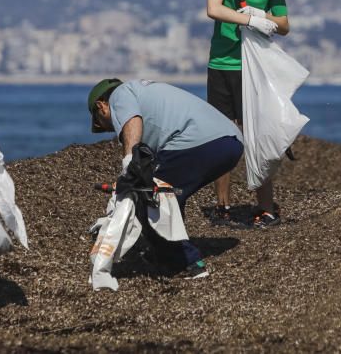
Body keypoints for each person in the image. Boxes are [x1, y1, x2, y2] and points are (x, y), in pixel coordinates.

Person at [88, 78, 244, 278]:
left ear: (101, 106)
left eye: (101, 124)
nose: (109, 130)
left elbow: (132, 121)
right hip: (231, 143)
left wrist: (129, 163)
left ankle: (187, 263)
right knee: (169, 194)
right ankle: (166, 255)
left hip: (199, 141)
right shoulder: (145, 95)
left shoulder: (120, 94)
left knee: (147, 196)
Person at [205, 0, 291, 228]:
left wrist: (260, 15)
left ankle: (266, 208)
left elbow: (284, 24)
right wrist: (247, 21)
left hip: (254, 68)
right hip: (222, 66)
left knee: (259, 136)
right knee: (223, 136)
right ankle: (222, 206)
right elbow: (213, 8)